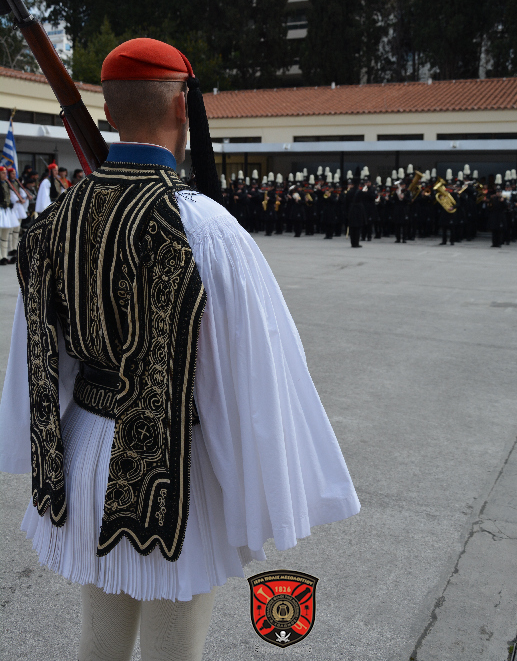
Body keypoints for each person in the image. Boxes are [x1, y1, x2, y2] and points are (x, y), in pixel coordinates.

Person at [0, 38, 360, 661]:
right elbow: (248, 373)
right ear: (181, 108)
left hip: (82, 456)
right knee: (175, 650)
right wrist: (253, 482)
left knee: (101, 640)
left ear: (109, 113)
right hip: (169, 472)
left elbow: (35, 359)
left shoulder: (55, 221)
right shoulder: (206, 227)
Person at [0, 166, 19, 264]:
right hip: (0, 209)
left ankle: (4, 256)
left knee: (5, 235)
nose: (5, 175)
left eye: (5, 173)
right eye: (3, 173)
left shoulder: (6, 183)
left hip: (6, 210)